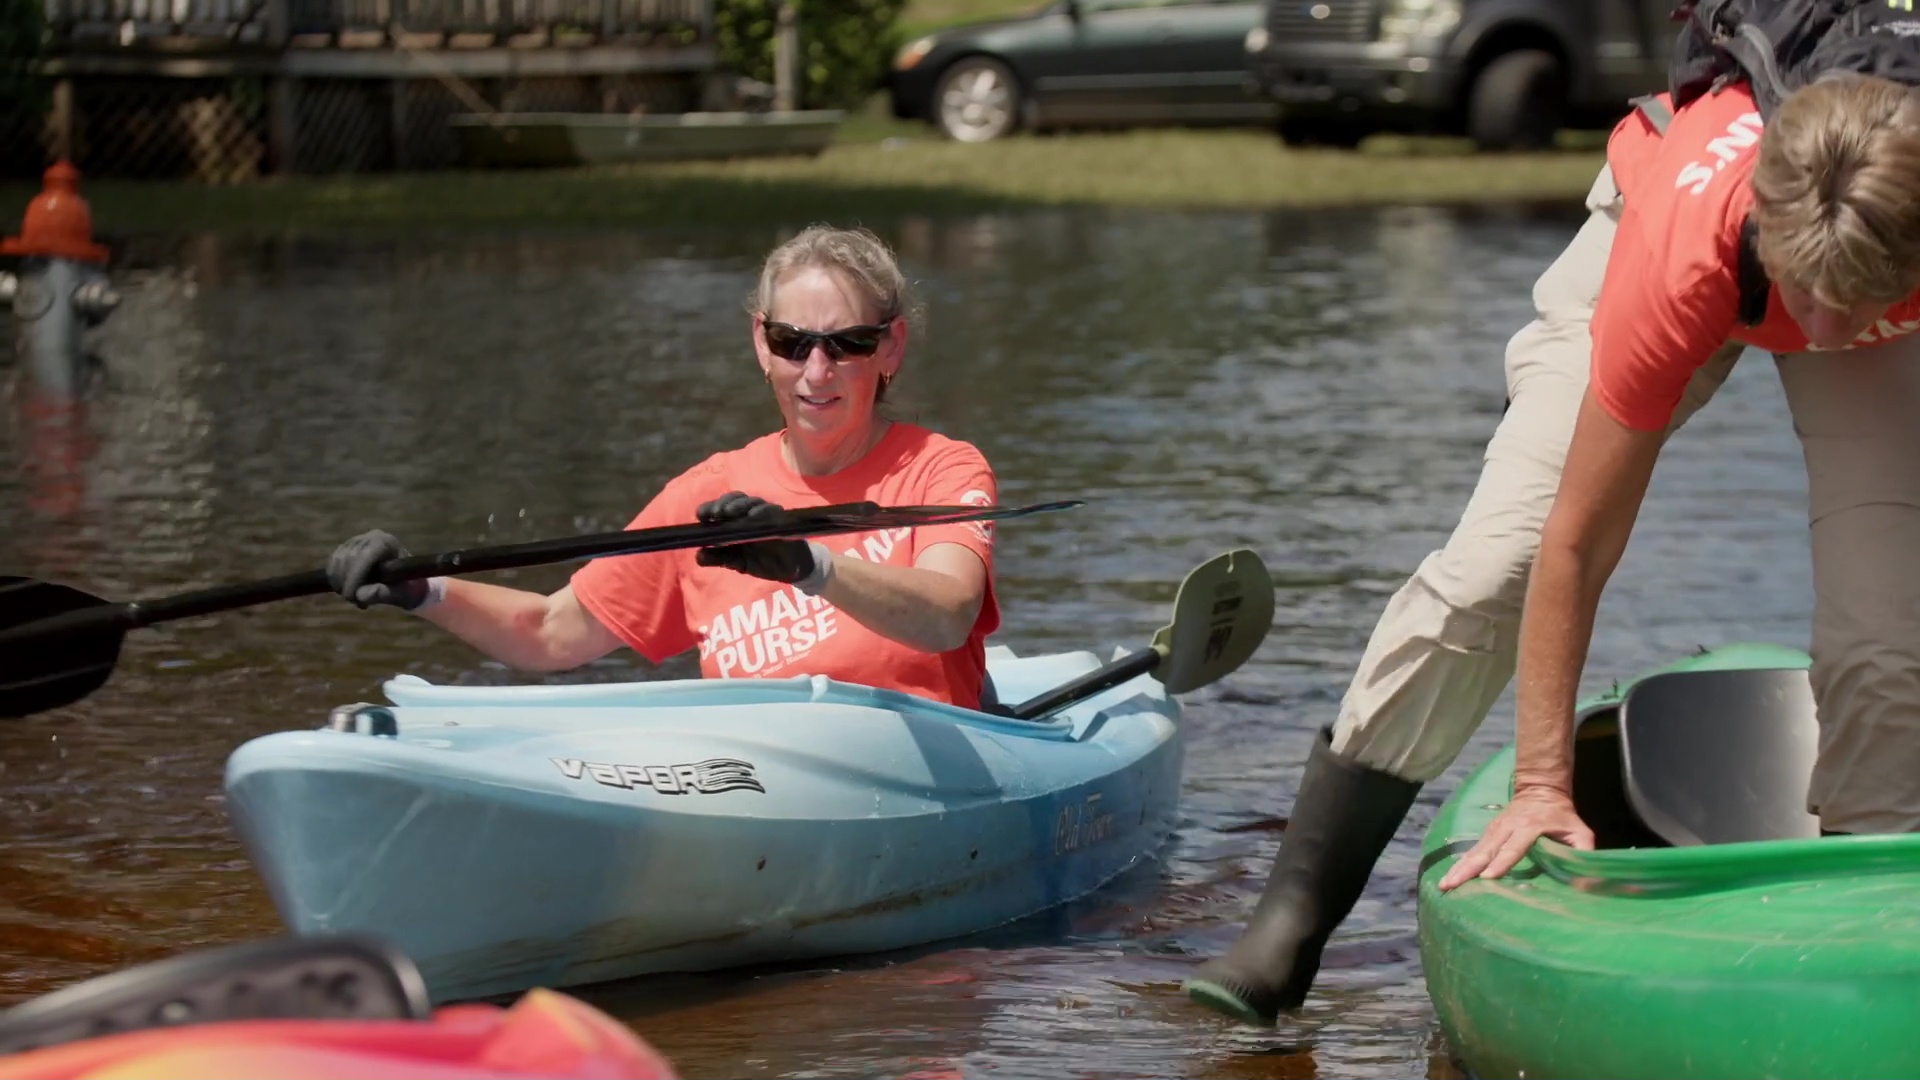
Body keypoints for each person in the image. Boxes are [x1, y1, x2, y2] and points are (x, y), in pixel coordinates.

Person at [1183, 39, 1920, 1027]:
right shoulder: (1684, 249)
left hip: (1875, 255)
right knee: (1505, 561)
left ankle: (1874, 933)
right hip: (1677, 242)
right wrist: (1540, 782)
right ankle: (1296, 912)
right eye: (1810, 299)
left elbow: (1842, 307)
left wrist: (1851, 295)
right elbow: (1577, 544)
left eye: (1852, 305)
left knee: (1890, 632)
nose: (1824, 333)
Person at [323, 225, 1003, 711]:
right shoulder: (706, 495)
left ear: (891, 349)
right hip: (759, 781)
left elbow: (948, 616)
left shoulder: (940, 470)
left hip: (922, 771)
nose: (815, 372)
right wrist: (423, 588)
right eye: (792, 343)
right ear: (761, 344)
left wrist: (809, 565)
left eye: (848, 344)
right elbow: (553, 631)